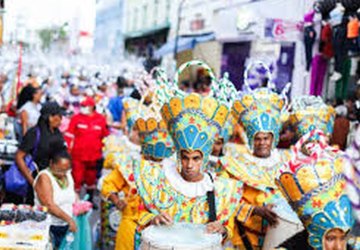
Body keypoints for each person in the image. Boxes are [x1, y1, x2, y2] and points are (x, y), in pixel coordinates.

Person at [134, 61, 243, 246]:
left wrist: (223, 229)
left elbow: (227, 229)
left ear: (205, 158)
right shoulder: (156, 180)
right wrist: (153, 219)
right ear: (178, 156)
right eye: (185, 157)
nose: (189, 165)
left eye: (196, 158)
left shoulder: (219, 189)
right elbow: (137, 214)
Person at [220, 86, 296, 249]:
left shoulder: (288, 162)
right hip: (244, 239)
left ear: (273, 139)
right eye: (258, 138)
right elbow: (224, 203)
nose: (262, 143)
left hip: (280, 238)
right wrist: (254, 210)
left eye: (266, 138)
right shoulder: (234, 166)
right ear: (251, 139)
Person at [101, 115, 175, 250]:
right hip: (131, 225)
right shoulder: (129, 165)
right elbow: (108, 184)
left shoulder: (172, 169)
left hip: (160, 227)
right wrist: (117, 200)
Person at [12, 102, 66, 205]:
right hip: (38, 180)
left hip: (55, 181)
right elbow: (19, 157)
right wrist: (32, 182)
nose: (61, 119)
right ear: (50, 118)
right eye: (59, 116)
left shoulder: (57, 133)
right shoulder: (34, 134)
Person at [65, 97, 109, 201]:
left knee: (91, 179)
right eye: (82, 106)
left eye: (85, 106)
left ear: (92, 107)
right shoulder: (76, 118)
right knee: (77, 178)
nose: (82, 108)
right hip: (78, 155)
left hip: (94, 156)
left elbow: (105, 136)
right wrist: (66, 152)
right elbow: (69, 135)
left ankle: (90, 201)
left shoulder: (101, 119)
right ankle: (74, 201)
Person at [34, 150, 77, 249]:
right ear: (51, 163)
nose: (62, 174)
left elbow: (71, 194)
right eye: (58, 170)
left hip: (65, 226)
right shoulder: (44, 177)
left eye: (65, 170)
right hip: (49, 227)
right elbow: (49, 205)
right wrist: (69, 220)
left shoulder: (68, 175)